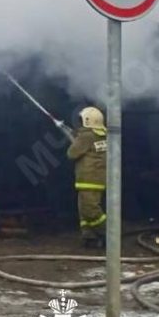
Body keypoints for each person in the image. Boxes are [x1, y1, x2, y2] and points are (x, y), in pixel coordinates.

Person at [67, 106, 108, 248]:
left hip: (88, 179)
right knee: (84, 211)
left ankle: (109, 233)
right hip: (97, 178)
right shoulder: (103, 134)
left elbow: (72, 154)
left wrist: (75, 139)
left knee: (89, 210)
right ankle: (90, 237)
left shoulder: (86, 136)